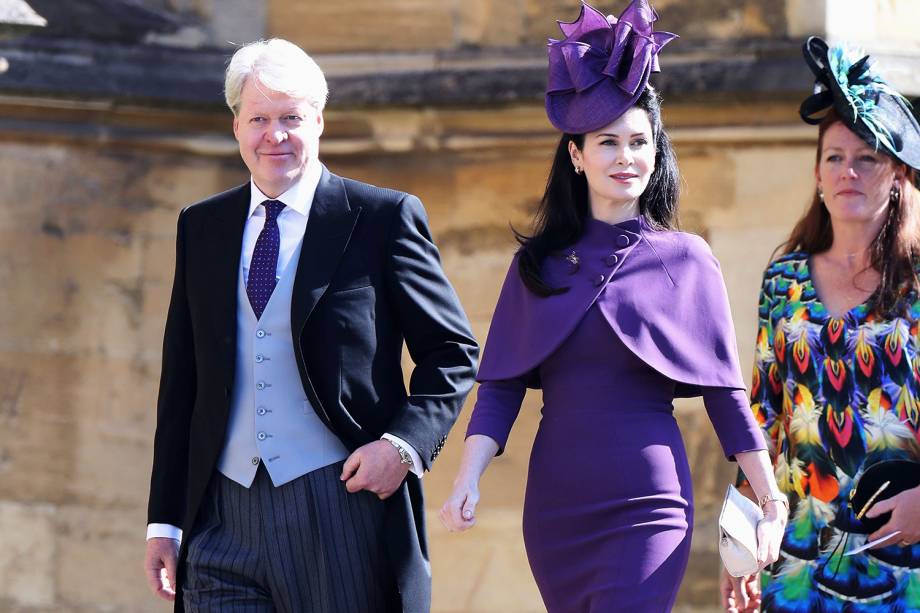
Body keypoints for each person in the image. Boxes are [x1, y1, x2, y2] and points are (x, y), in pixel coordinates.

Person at [439, 2, 787, 611]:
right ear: (576, 155)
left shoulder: (687, 259)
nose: (625, 157)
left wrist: (770, 498)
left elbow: (725, 396)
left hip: (649, 506)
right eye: (607, 142)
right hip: (558, 508)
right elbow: (500, 388)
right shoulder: (537, 267)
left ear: (656, 152)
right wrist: (467, 478)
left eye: (638, 141)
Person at [143, 38, 478, 613]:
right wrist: (164, 521)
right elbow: (183, 382)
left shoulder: (381, 218)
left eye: (291, 118)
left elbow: (452, 351)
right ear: (236, 128)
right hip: (220, 517)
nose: (275, 135)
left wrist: (401, 447)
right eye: (259, 119)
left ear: (319, 121)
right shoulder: (201, 226)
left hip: (339, 506)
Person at [721, 38, 920, 613]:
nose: (848, 172)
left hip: (904, 554)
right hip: (798, 555)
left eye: (867, 158)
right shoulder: (784, 283)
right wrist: (739, 539)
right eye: (834, 157)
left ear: (898, 176)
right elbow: (761, 419)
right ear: (816, 174)